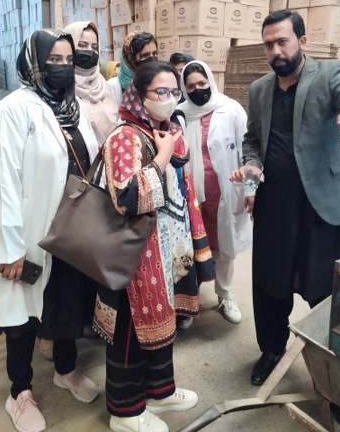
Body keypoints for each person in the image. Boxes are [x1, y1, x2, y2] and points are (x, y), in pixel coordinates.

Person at [230, 9, 340, 387]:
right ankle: (272, 350)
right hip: (274, 205)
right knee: (269, 284)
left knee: (329, 290)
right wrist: (252, 169)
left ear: (302, 40)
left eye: (282, 41)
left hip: (322, 207)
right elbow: (252, 140)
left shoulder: (330, 73)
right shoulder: (260, 89)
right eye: (268, 45)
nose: (275, 51)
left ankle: (334, 367)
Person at [0, 29, 100, 432]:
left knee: (65, 306)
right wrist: (11, 248)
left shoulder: (74, 108)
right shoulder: (11, 111)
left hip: (71, 233)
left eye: (68, 60)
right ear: (33, 63)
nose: (63, 67)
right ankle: (19, 392)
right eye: (54, 60)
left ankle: (65, 371)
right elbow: (4, 183)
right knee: (22, 320)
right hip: (30, 238)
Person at [94, 60, 215, 432]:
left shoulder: (167, 130)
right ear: (138, 95)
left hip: (166, 249)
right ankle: (125, 411)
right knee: (132, 331)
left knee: (163, 324)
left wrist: (168, 147)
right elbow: (128, 198)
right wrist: (162, 157)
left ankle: (160, 391)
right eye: (160, 92)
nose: (169, 99)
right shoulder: (125, 136)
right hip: (136, 257)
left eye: (174, 92)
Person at [179, 60, 252, 327]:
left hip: (226, 192)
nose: (197, 89)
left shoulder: (231, 109)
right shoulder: (179, 114)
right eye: (190, 86)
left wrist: (251, 189)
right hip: (191, 197)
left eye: (202, 83)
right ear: (184, 89)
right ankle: (189, 301)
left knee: (224, 249)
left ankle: (225, 295)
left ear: (210, 81)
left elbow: (249, 151)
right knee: (191, 249)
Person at [63, 20, 119, 146]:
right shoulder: (61, 88)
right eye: (82, 45)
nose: (90, 51)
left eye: (94, 47)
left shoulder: (104, 86)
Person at [107, 31, 158, 109]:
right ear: (131, 58)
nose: (151, 59)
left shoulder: (156, 82)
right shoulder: (112, 87)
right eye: (145, 55)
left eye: (154, 53)